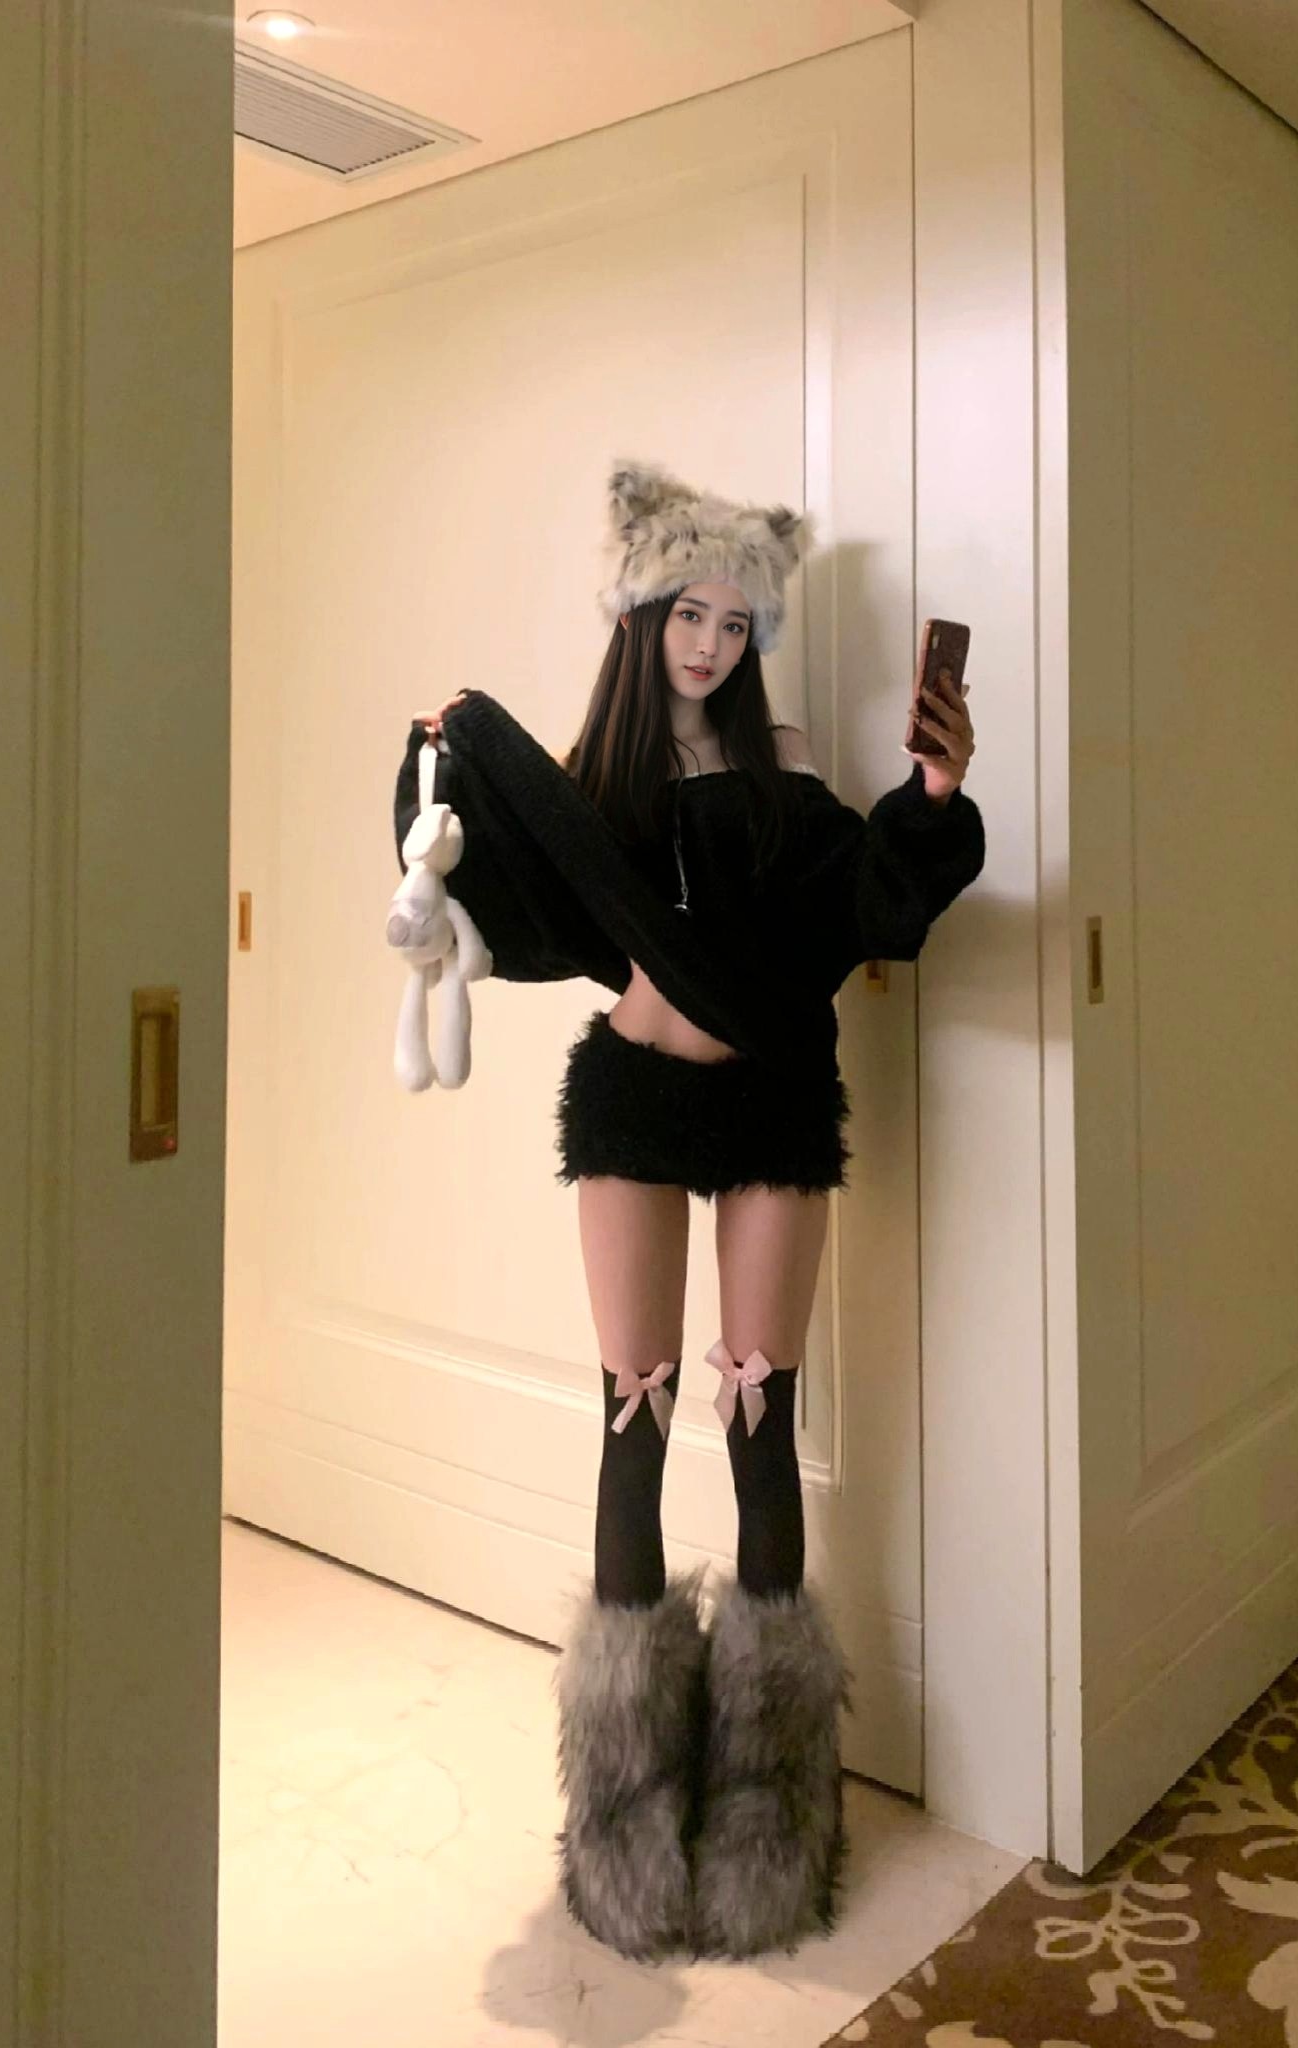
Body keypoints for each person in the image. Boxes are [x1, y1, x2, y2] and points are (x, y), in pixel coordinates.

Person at [398, 458, 983, 1964]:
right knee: (636, 1418)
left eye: (736, 620)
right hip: (634, 1101)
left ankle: (770, 1836)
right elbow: (479, 895)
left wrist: (933, 798)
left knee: (763, 1416)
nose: (713, 643)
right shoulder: (595, 779)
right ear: (642, 614)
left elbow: (862, 903)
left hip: (775, 1091)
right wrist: (438, 766)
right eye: (689, 614)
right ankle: (625, 1832)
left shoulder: (777, 758)